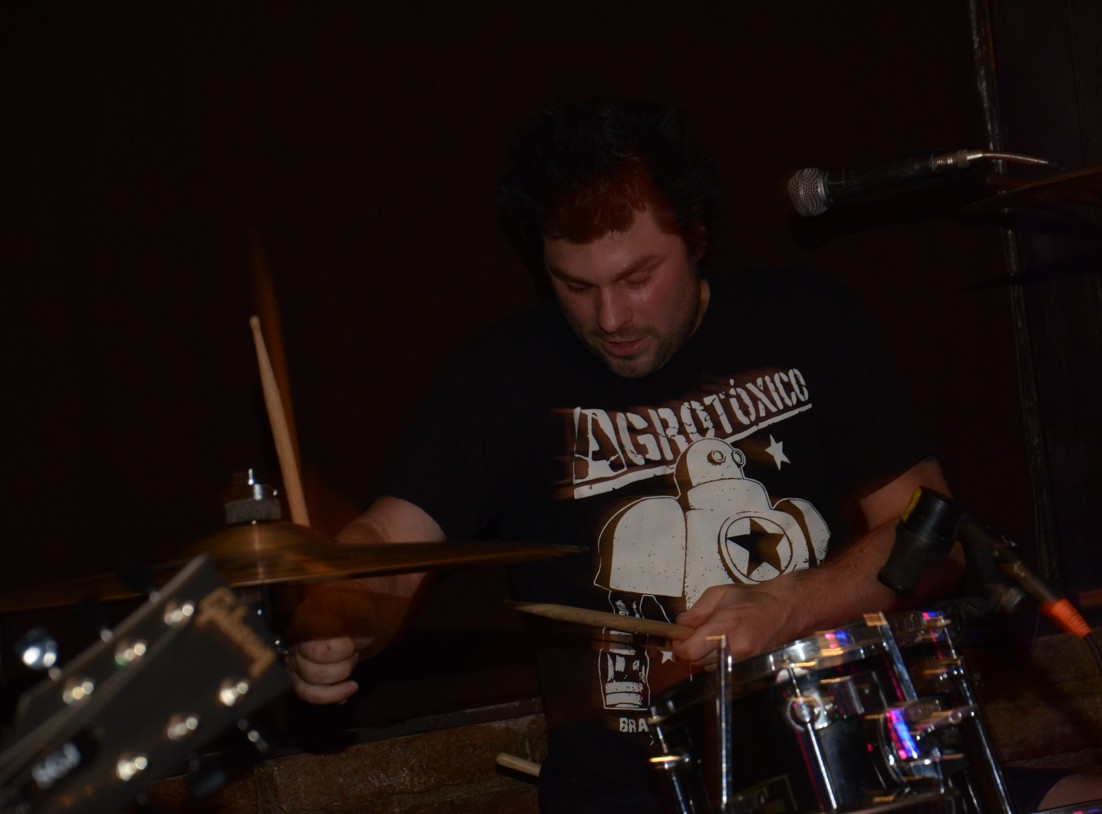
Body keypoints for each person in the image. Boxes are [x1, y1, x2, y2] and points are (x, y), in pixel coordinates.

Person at [285, 96, 961, 812]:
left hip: (832, 763)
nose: (610, 319)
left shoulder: (807, 318)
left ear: (696, 237)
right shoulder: (499, 379)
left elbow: (934, 533)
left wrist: (791, 604)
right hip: (624, 795)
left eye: (638, 278)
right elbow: (390, 543)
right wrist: (340, 616)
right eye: (576, 286)